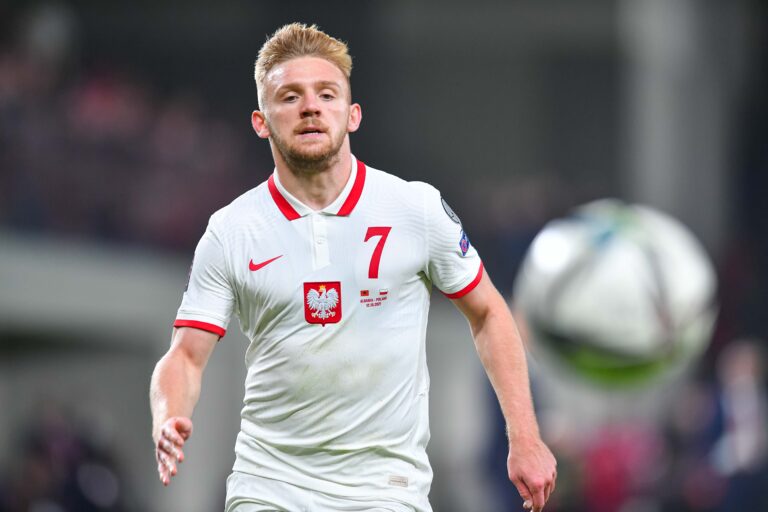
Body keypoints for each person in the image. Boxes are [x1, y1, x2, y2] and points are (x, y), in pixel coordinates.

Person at [149, 22, 556, 512]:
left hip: (386, 492)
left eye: (327, 94)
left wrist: (525, 437)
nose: (311, 107)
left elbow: (489, 313)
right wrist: (169, 414)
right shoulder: (232, 229)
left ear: (352, 114)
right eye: (290, 97)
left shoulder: (415, 210)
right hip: (269, 490)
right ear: (261, 121)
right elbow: (186, 357)